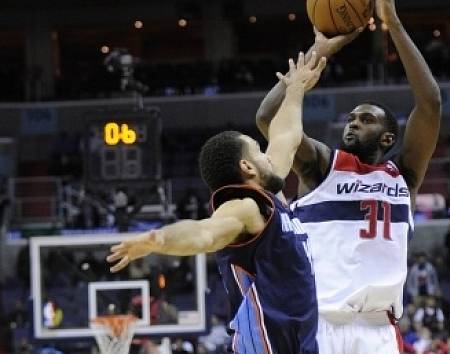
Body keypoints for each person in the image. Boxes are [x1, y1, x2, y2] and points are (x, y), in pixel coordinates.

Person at [107, 53, 327, 354]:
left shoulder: (271, 197)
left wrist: (297, 88)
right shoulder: (244, 206)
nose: (268, 155)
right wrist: (157, 239)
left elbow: (286, 135)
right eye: (258, 152)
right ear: (248, 168)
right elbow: (204, 233)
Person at [255, 1, 441, 352]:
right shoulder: (322, 166)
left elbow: (430, 102)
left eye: (366, 119)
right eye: (352, 117)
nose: (354, 122)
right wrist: (318, 51)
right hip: (321, 322)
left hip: (379, 329)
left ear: (388, 138)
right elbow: (268, 119)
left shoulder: (404, 176)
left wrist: (394, 25)